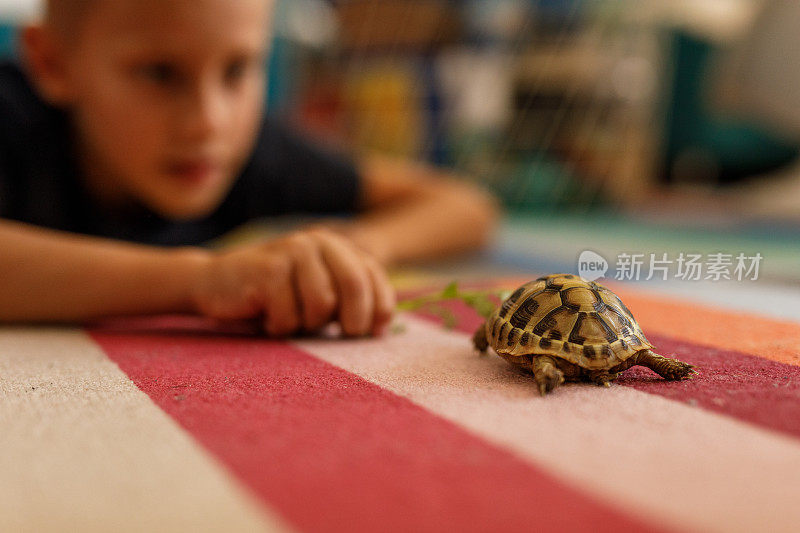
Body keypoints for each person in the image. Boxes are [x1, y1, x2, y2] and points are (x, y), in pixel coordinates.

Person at [0, 0, 499, 337]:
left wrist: (351, 252)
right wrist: (200, 281)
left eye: (238, 70)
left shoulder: (251, 150)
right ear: (52, 64)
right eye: (160, 73)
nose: (209, 123)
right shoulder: (12, 114)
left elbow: (466, 206)